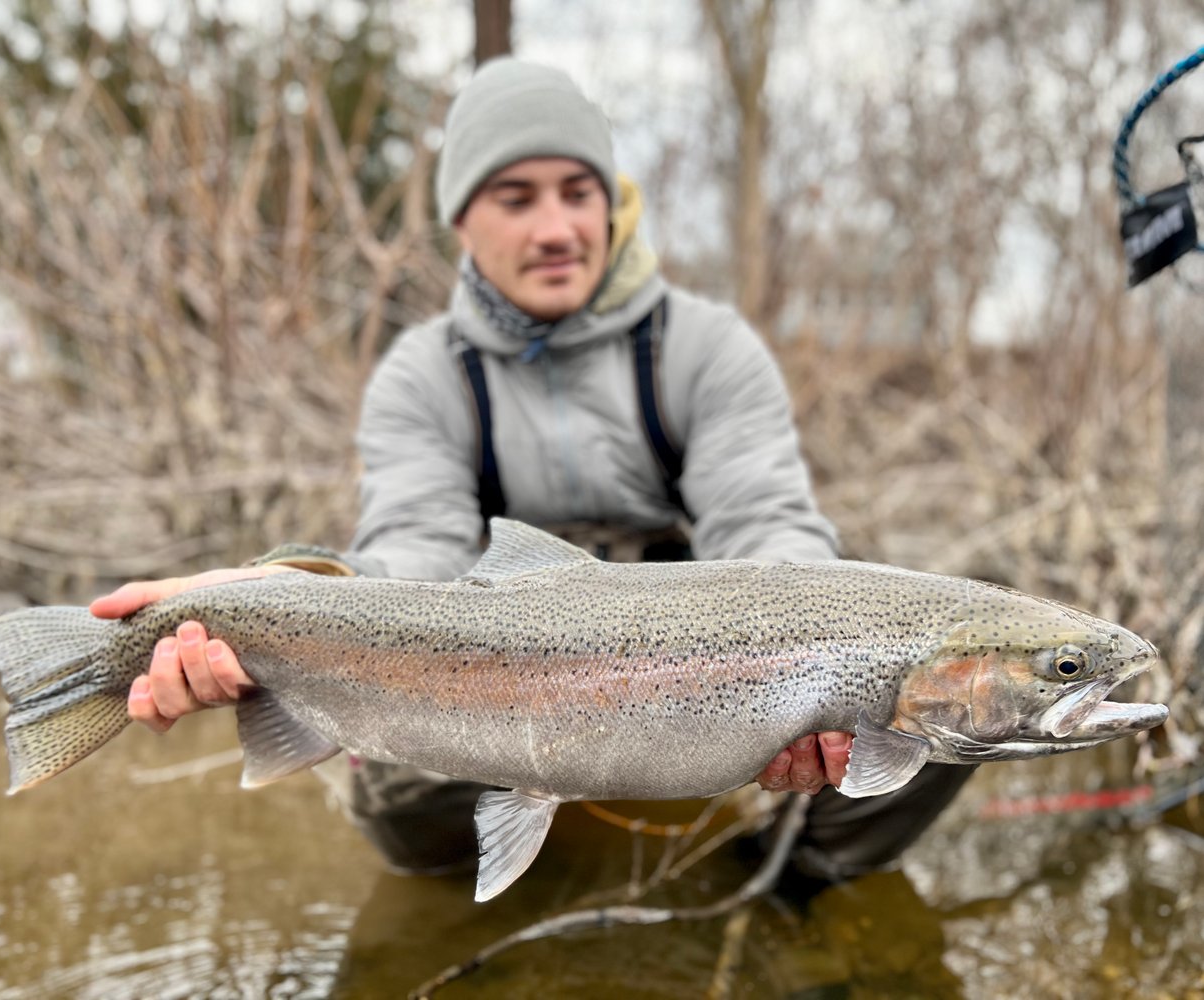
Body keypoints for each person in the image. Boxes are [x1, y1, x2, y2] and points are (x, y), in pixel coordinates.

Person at [91, 58, 973, 891]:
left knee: (934, 709)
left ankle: (781, 890)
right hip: (488, 676)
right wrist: (284, 591)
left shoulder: (707, 350)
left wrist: (812, 679)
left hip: (705, 688)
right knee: (393, 803)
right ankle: (488, 873)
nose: (555, 228)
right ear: (461, 222)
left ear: (611, 203)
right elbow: (411, 554)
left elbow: (773, 537)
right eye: (515, 198)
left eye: (578, 192)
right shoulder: (421, 375)